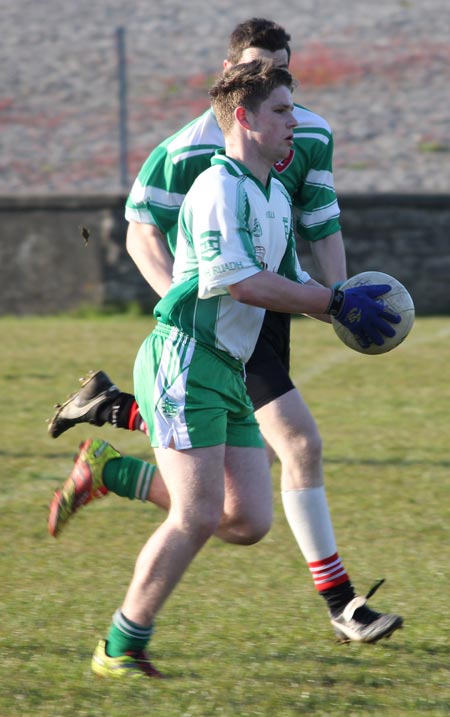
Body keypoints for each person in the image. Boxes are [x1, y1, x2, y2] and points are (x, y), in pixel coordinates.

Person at [48, 19, 404, 646]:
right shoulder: (199, 168)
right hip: (205, 339)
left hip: (252, 328)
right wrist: (184, 304)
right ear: (235, 93)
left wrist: (340, 305)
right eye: (277, 100)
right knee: (278, 460)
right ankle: (337, 606)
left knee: (243, 520)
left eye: (290, 89)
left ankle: (112, 456)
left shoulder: (279, 173)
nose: (296, 114)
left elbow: (311, 235)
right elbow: (157, 238)